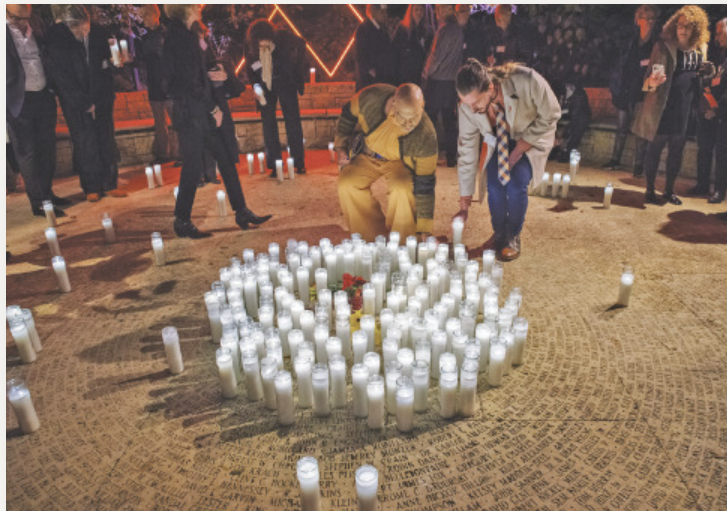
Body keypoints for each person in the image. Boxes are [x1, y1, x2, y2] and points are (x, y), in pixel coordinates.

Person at [164, 4, 271, 238]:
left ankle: (241, 211)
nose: (199, 7)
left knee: (224, 157)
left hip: (200, 111)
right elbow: (189, 81)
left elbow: (202, 70)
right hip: (192, 113)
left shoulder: (191, 33)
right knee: (192, 166)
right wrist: (213, 109)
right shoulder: (179, 37)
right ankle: (181, 220)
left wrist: (221, 74)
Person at [454, 60, 560, 261]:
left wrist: (520, 149)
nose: (471, 108)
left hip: (531, 137)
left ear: (490, 88)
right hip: (499, 140)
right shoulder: (468, 107)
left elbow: (551, 113)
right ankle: (499, 233)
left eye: (475, 102)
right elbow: (466, 151)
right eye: (466, 103)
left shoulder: (527, 80)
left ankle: (513, 234)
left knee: (516, 182)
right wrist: (464, 203)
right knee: (494, 184)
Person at [45, 5, 127, 203]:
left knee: (105, 139)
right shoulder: (57, 39)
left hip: (101, 97)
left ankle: (110, 183)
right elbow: (61, 77)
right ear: (68, 26)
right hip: (75, 99)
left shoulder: (99, 33)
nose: (83, 33)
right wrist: (83, 102)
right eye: (78, 30)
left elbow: (107, 63)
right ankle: (91, 186)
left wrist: (118, 62)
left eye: (85, 28)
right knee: (84, 142)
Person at [336, 83, 437, 242]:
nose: (408, 125)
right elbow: (347, 115)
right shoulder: (370, 99)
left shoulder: (426, 134)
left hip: (400, 161)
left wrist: (425, 229)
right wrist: (341, 147)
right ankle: (370, 237)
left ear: (422, 107)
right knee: (347, 183)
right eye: (402, 117)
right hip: (367, 155)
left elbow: (425, 182)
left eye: (414, 118)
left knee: (403, 187)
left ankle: (403, 240)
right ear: (394, 105)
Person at [632, 5, 712, 206]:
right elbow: (647, 81)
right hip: (663, 105)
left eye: (688, 26)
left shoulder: (701, 47)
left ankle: (668, 190)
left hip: (685, 107)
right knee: (656, 148)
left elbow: (702, 79)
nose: (683, 29)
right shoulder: (663, 45)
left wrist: (707, 73)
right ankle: (650, 189)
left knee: (677, 150)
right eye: (680, 24)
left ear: (697, 28)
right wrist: (652, 82)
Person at [6, 4, 70, 218]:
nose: (23, 23)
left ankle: (47, 193)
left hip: (43, 94)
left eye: (26, 18)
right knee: (28, 152)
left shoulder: (36, 23)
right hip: (18, 100)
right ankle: (38, 202)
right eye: (18, 19)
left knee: (46, 148)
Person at [245, 19, 308, 178]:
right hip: (265, 86)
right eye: (260, 44)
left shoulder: (284, 38)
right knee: (268, 124)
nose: (263, 46)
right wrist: (255, 86)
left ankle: (298, 162)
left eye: (266, 43)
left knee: (292, 121)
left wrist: (297, 74)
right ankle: (274, 164)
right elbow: (251, 68)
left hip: (286, 83)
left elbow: (302, 43)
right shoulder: (250, 46)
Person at [603, 5, 661, 175]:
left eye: (652, 19)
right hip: (626, 91)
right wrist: (617, 88)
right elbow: (621, 65)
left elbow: (658, 69)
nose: (649, 22)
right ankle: (615, 160)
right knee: (621, 128)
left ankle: (638, 166)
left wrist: (650, 93)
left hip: (642, 93)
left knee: (640, 132)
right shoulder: (631, 41)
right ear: (638, 20)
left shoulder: (656, 44)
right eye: (645, 18)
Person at [423, 5, 463, 168]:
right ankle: (452, 157)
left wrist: (426, 72)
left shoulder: (445, 30)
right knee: (449, 121)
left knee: (430, 119)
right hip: (451, 81)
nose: (437, 14)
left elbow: (436, 56)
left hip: (438, 81)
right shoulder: (458, 30)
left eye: (439, 10)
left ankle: (428, 154)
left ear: (445, 10)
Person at [136, 4, 176, 166]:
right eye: (142, 16)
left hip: (166, 84)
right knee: (160, 123)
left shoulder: (164, 34)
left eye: (145, 16)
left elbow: (165, 59)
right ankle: (163, 154)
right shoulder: (147, 37)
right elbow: (145, 60)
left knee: (175, 120)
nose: (143, 20)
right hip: (154, 84)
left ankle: (180, 153)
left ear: (154, 15)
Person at [695, 18, 727, 203]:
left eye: (720, 33)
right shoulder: (722, 54)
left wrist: (716, 110)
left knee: (722, 153)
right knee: (705, 146)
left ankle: (719, 191)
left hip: (721, 113)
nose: (717, 37)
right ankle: (703, 184)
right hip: (715, 110)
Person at [353, 5, 395, 92]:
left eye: (385, 11)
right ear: (374, 12)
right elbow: (360, 56)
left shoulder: (382, 30)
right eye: (382, 12)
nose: (385, 15)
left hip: (379, 82)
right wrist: (374, 73)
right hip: (369, 84)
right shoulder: (364, 29)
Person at [551, 79, 591, 163]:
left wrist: (564, 136)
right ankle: (555, 149)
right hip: (570, 113)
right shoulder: (562, 90)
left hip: (579, 116)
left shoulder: (578, 95)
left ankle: (566, 150)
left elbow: (574, 117)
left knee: (577, 125)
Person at [392, 5, 433, 86]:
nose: (419, 12)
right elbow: (394, 51)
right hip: (404, 75)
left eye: (421, 10)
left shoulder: (428, 31)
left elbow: (431, 52)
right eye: (416, 10)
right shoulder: (402, 28)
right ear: (411, 12)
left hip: (420, 75)